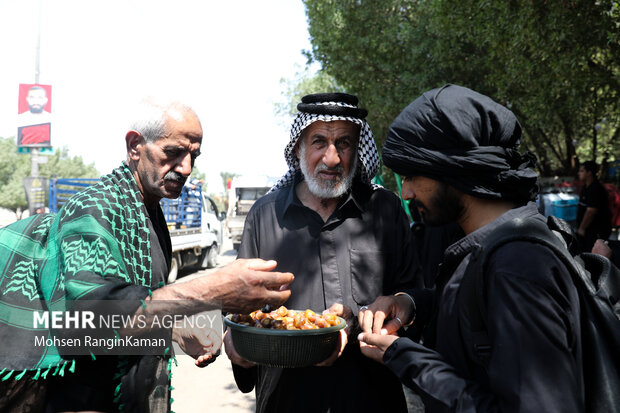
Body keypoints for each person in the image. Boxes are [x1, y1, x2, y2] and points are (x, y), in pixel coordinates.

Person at [0, 98, 294, 413]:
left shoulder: (150, 214)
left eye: (193, 155)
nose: (186, 168)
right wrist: (213, 291)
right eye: (173, 153)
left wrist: (177, 328)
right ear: (135, 146)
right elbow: (91, 316)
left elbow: (140, 305)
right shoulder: (96, 208)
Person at [356, 84, 585, 412]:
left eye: (410, 177)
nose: (405, 193)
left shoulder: (516, 266)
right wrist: (412, 303)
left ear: (451, 171)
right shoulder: (493, 249)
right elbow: (479, 315)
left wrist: (404, 357)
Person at [224, 92, 420, 413]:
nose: (332, 158)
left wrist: (361, 324)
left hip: (371, 397)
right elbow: (240, 310)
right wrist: (237, 345)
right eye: (319, 142)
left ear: (357, 149)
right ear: (299, 147)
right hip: (286, 401)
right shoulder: (264, 216)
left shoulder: (386, 210)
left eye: (343, 143)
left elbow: (414, 297)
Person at [577, 160, 612, 253]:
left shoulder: (595, 189)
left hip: (596, 232)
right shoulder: (586, 187)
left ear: (589, 173)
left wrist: (582, 228)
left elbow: (591, 212)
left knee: (593, 256)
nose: (578, 173)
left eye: (581, 171)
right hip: (589, 231)